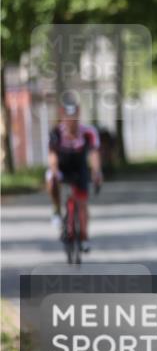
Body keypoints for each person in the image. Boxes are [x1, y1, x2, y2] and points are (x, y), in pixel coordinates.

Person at [46, 99, 102, 251]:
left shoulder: (88, 132)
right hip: (61, 167)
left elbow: (94, 154)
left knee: (82, 204)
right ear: (62, 116)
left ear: (78, 115)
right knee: (51, 178)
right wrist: (55, 171)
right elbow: (52, 155)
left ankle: (84, 236)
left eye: (74, 117)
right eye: (67, 117)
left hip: (80, 169)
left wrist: (96, 172)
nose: (71, 121)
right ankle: (57, 210)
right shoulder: (56, 132)